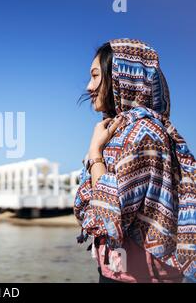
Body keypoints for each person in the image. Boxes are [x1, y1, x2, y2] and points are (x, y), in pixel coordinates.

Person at [74, 38, 196, 283]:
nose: (89, 86)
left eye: (96, 76)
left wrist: (95, 153)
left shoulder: (145, 134)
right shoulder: (122, 132)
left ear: (124, 77)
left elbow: (108, 215)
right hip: (121, 272)